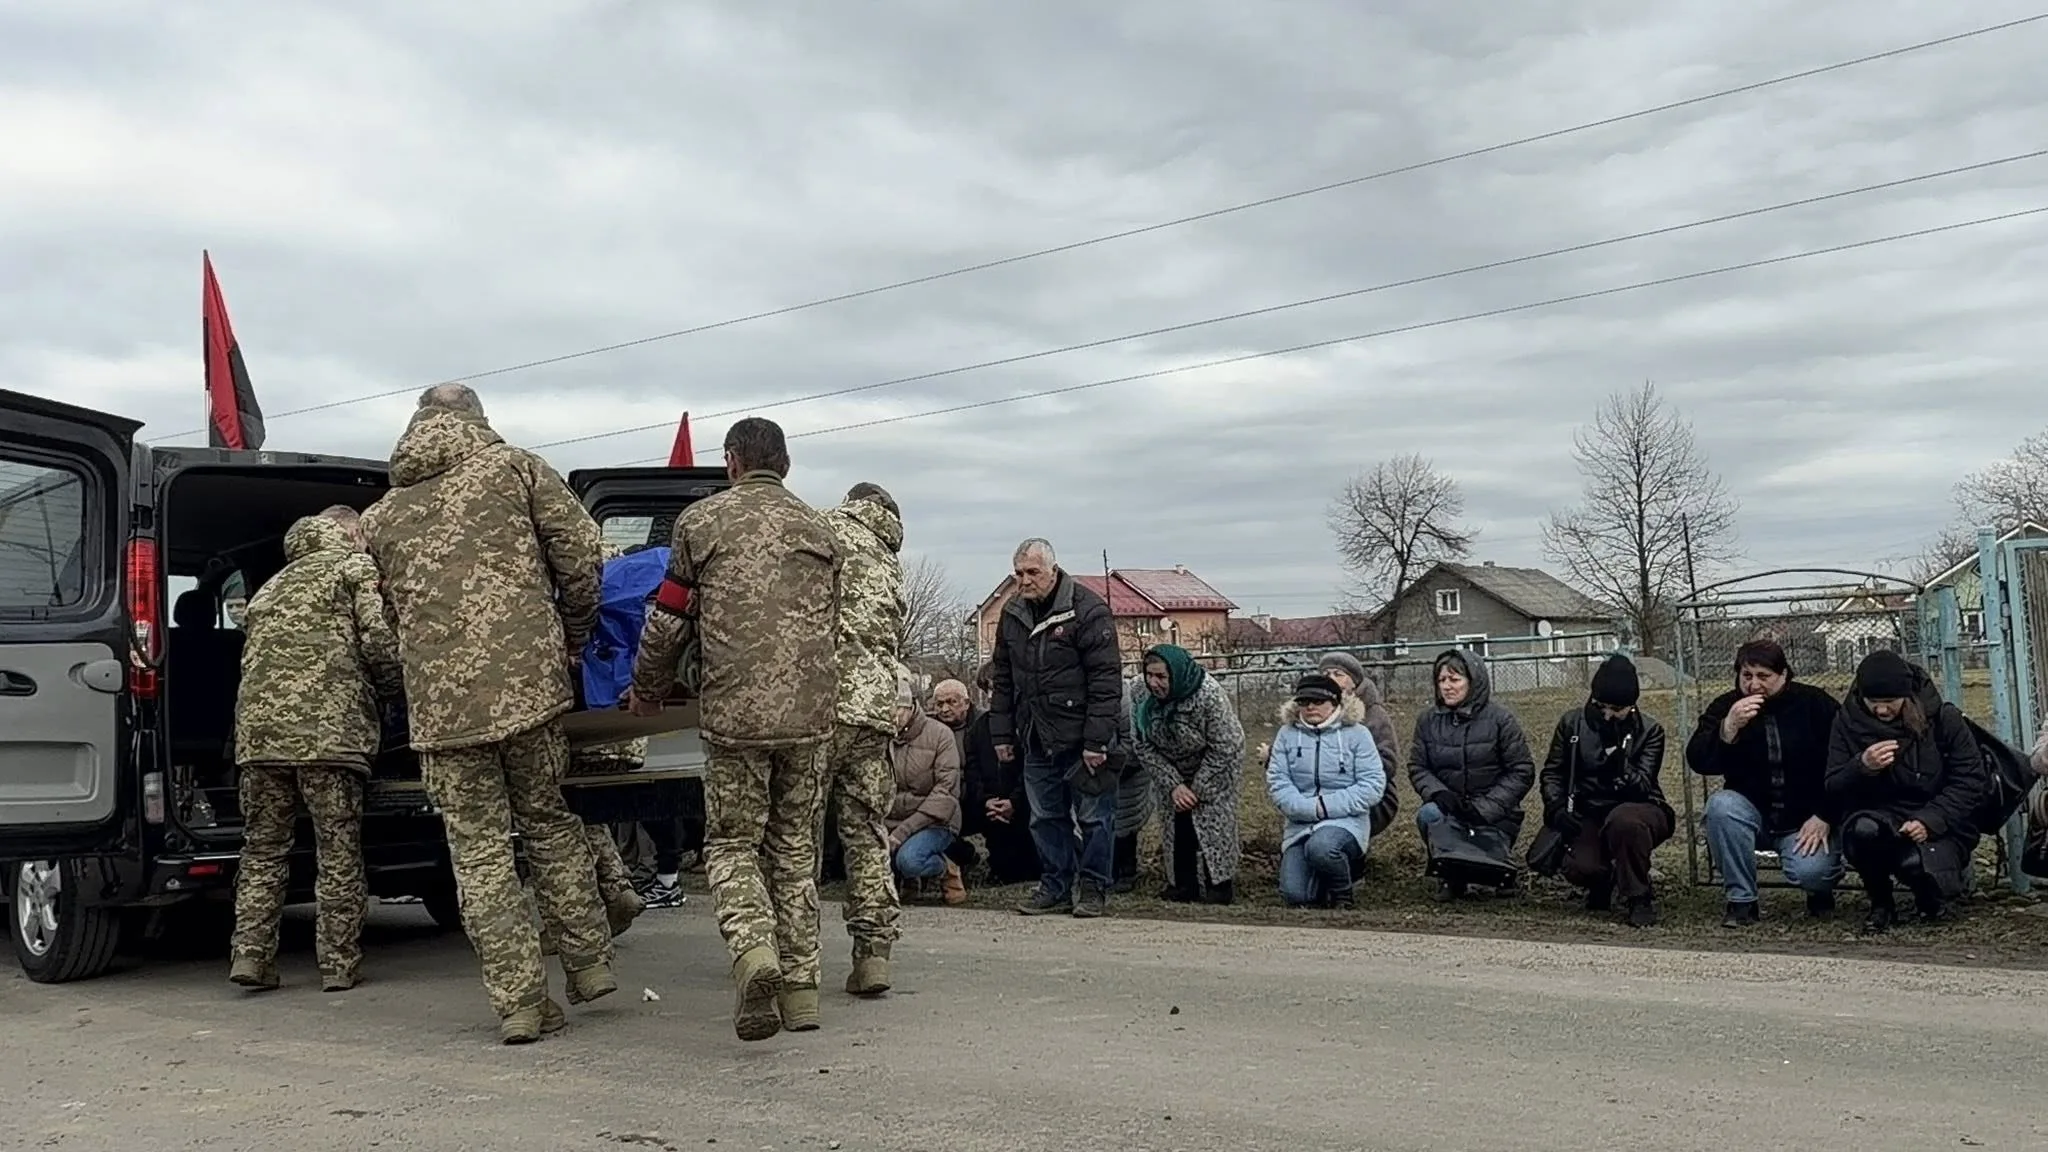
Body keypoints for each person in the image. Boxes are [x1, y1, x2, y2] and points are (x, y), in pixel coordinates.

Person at [361, 385, 616, 1044]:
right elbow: (580, 555)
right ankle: (587, 963)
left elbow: (389, 619)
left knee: (478, 856)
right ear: (476, 419)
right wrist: (574, 636)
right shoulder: (515, 468)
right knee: (548, 821)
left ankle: (520, 1004)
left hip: (442, 710)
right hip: (529, 686)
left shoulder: (381, 517)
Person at [626, 416, 839, 1041]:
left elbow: (669, 619)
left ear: (732, 462)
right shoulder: (822, 530)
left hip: (735, 718)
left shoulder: (700, 524)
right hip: (810, 718)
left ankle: (754, 952)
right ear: (786, 465)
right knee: (794, 849)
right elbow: (829, 624)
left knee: (732, 844)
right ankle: (802, 992)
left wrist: (647, 691)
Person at [228, 507, 402, 994]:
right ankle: (338, 963)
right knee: (337, 849)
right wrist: (394, 694)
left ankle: (251, 955)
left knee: (263, 850)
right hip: (330, 736)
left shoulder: (269, 588)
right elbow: (379, 640)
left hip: (260, 741)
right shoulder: (352, 568)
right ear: (348, 533)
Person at [988, 538, 1124, 918]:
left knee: (1095, 817)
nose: (1024, 580)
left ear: (1053, 569)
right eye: (1019, 573)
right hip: (1036, 735)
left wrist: (1096, 741)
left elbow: (1106, 681)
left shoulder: (1088, 610)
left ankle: (1094, 888)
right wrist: (1002, 733)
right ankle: (1055, 886)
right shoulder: (1012, 613)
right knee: (1045, 817)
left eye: (1032, 572)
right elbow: (1003, 679)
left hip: (1083, 736)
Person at [1825, 650, 1988, 934]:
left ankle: (1930, 897)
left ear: (1907, 696)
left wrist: (1931, 820)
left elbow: (1970, 780)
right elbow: (1833, 784)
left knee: (1913, 864)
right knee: (1862, 831)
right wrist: (1861, 766)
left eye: (1890, 701)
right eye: (1873, 702)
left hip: (1939, 816)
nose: (1881, 710)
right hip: (1878, 814)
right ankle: (1881, 902)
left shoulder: (1943, 718)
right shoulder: (1846, 722)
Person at [818, 482, 907, 998]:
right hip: (875, 711)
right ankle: (873, 954)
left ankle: (791, 953)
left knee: (795, 835)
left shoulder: (824, 528)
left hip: (820, 704)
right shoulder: (888, 559)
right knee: (867, 831)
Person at [1685, 639, 1844, 926]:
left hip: (1805, 820)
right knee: (1721, 806)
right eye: (1747, 675)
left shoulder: (1814, 703)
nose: (1754, 684)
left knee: (1813, 873)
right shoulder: (1725, 706)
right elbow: (1698, 760)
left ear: (1783, 674)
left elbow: (1844, 764)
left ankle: (1820, 891)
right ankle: (1741, 902)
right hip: (1751, 813)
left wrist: (1825, 815)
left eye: (1763, 676)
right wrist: (1728, 728)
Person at [1539, 655, 1674, 928]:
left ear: (1632, 706)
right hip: (1589, 808)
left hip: (1639, 807)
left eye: (1617, 708)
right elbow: (1553, 772)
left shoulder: (1650, 731)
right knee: (1580, 866)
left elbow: (1643, 786)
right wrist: (1556, 808)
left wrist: (1619, 761)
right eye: (1600, 705)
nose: (1607, 714)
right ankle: (1603, 879)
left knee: (1625, 823)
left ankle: (1638, 896)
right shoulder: (1572, 724)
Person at [1408, 648, 1535, 899]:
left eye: (1454, 679)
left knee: (1491, 853)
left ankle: (1499, 869)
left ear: (1473, 681)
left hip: (1495, 812)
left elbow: (1521, 771)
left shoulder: (1501, 720)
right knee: (1428, 814)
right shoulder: (1427, 721)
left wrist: (1485, 808)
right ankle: (1450, 875)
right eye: (1442, 680)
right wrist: (1439, 793)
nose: (1447, 686)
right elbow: (1418, 766)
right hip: (1450, 807)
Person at [1133, 644, 1245, 904]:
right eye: (1149, 675)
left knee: (1213, 822)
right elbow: (1141, 744)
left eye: (1161, 676)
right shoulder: (1140, 692)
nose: (1153, 683)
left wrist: (1197, 787)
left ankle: (1219, 885)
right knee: (1176, 823)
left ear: (1176, 674)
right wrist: (1174, 785)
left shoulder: (1209, 694)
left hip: (1215, 764)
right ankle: (1183, 885)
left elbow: (1226, 745)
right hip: (1169, 765)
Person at [1266, 672, 1386, 909]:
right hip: (1300, 824)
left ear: (1334, 703)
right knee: (1295, 895)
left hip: (1346, 822)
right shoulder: (1286, 735)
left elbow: (1372, 785)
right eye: (1304, 701)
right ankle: (1323, 881)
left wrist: (1324, 806)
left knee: (1322, 847)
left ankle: (1343, 894)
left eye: (1318, 701)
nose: (1310, 707)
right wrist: (1305, 808)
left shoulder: (1358, 734)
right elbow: (1278, 782)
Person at [887, 674, 966, 903]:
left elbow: (945, 793)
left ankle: (945, 869)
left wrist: (901, 832)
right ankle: (908, 880)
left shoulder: (940, 735)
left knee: (910, 860)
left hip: (935, 821)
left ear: (911, 706)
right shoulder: (881, 737)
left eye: (897, 710)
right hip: (890, 819)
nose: (892, 717)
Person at [1310, 651, 1400, 835]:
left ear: (1354, 682)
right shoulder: (1313, 712)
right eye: (1326, 674)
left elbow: (1388, 763)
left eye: (1338, 674)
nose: (1331, 679)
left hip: (1370, 794)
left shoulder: (1374, 714)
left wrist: (1340, 772)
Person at [1111, 671, 1151, 893]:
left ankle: (1126, 872)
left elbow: (1133, 743)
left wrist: (1111, 768)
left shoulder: (1124, 697)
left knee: (1124, 823)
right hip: (1098, 769)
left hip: (1128, 773)